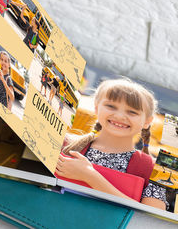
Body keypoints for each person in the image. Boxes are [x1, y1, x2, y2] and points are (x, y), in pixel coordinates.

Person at [56, 78, 167, 210]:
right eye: (111, 106)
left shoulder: (152, 169)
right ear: (96, 108)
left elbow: (152, 217)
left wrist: (90, 176)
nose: (119, 116)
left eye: (132, 112)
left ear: (147, 122)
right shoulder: (65, 143)